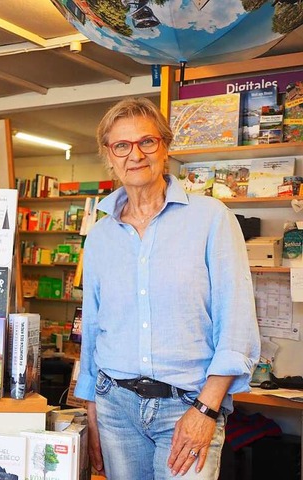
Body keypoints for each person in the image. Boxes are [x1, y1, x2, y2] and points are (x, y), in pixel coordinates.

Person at [74, 97, 260, 480]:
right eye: (121, 145)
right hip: (115, 409)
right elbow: (92, 330)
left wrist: (206, 410)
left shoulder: (211, 219)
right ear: (109, 155)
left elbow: (237, 326)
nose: (135, 155)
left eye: (147, 142)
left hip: (188, 404)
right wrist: (91, 412)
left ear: (165, 146)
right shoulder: (100, 235)